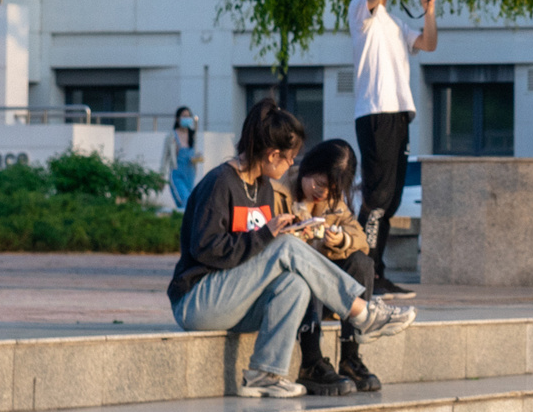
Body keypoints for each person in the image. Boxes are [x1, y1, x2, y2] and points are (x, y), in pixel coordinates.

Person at [170, 100, 415, 396]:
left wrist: (280, 236)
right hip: (198, 301)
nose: (292, 165)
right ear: (273, 155)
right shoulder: (220, 183)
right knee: (285, 245)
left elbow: (254, 253)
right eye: (290, 158)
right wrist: (268, 236)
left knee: (294, 284)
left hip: (233, 301)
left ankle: (264, 374)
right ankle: (362, 313)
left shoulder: (261, 188)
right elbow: (207, 249)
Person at [350, 0, 440, 296]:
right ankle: (361, 273)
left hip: (398, 114)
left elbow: (429, 44)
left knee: (390, 199)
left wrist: (429, 8)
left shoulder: (395, 23)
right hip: (375, 112)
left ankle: (376, 272)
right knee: (376, 197)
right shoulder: (361, 8)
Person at [288, 138, 383, 394]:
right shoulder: (282, 190)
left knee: (361, 262)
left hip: (329, 294)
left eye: (330, 189)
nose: (322, 192)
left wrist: (342, 240)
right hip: (291, 290)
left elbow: (361, 240)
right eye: (318, 184)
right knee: (310, 262)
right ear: (308, 167)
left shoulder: (334, 202)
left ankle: (350, 358)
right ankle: (311, 361)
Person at [167, 108, 201, 212]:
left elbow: (194, 152)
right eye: (184, 116)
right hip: (177, 173)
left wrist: (196, 158)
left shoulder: (192, 135)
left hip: (190, 174)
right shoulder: (172, 136)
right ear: (177, 119)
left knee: (189, 202)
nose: (187, 118)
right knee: (185, 199)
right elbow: (165, 157)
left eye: (188, 116)